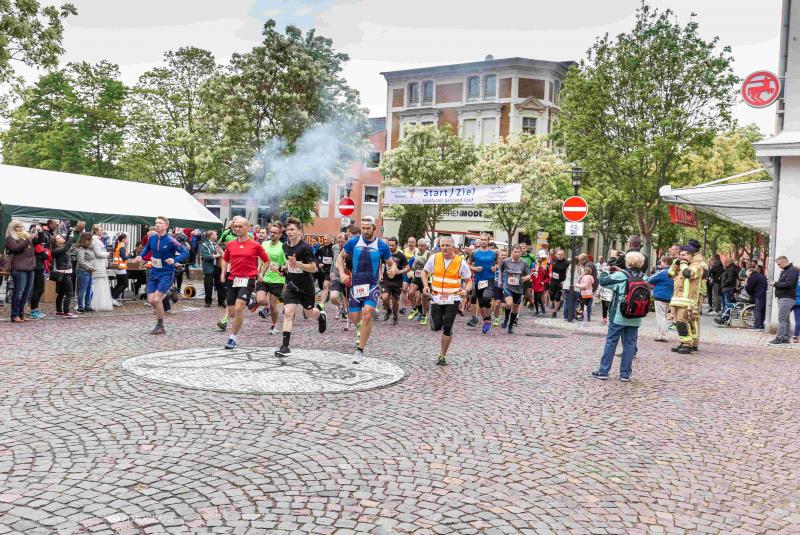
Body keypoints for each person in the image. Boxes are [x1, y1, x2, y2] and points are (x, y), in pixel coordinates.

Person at [337, 216, 393, 363]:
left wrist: (392, 269)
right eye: (363, 228)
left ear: (374, 228)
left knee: (367, 313)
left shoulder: (382, 246)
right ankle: (363, 327)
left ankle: (359, 350)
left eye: (368, 228)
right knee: (354, 317)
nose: (365, 231)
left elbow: (391, 263)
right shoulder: (354, 242)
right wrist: (342, 274)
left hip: (373, 285)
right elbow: (340, 257)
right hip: (356, 285)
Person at [274, 217, 327, 357]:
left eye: (292, 229)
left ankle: (320, 315)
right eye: (287, 230)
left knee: (309, 314)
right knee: (288, 313)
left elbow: (313, 268)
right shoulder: (285, 246)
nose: (289, 232)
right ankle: (285, 347)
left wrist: (297, 264)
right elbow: (288, 265)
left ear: (299, 231)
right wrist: (281, 268)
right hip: (292, 285)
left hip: (306, 286)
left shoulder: (305, 247)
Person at [592, 251, 647, 381]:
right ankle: (625, 374)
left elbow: (603, 281)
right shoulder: (644, 277)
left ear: (628, 262)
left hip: (619, 314)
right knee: (630, 344)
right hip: (636, 315)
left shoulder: (621, 275)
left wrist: (606, 270)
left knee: (611, 342)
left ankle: (603, 371)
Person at [219, 216, 269, 350]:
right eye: (235, 226)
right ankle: (251, 300)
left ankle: (232, 338)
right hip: (232, 279)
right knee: (231, 313)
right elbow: (225, 259)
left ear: (247, 227)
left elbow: (266, 260)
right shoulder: (230, 244)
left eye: (240, 226)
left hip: (248, 279)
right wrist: (223, 272)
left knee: (239, 307)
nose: (237, 229)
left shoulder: (255, 245)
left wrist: (261, 273)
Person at [421, 236, 473, 365]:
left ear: (453, 248)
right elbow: (424, 272)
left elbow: (469, 281)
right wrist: (426, 286)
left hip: (453, 298)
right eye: (442, 245)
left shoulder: (460, 262)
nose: (444, 248)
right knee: (436, 326)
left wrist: (466, 290)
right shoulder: (434, 258)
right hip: (436, 296)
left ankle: (442, 356)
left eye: (447, 245)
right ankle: (434, 320)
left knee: (447, 326)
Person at [133, 216, 189, 335]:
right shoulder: (152, 238)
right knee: (151, 301)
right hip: (154, 272)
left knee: (157, 299)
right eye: (156, 223)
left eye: (160, 223)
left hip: (166, 273)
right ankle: (170, 292)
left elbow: (185, 252)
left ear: (166, 226)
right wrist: (141, 256)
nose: (157, 225)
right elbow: (147, 248)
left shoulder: (171, 240)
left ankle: (160, 326)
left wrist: (174, 260)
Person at [668, 244, 704, 354]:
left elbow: (688, 274)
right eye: (680, 255)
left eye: (684, 255)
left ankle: (688, 344)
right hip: (678, 299)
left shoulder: (697, 266)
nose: (681, 257)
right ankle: (685, 342)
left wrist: (683, 264)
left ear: (691, 255)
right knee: (680, 322)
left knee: (682, 321)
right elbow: (670, 274)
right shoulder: (682, 264)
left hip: (688, 300)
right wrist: (675, 263)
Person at [255, 223, 287, 335]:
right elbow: (260, 257)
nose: (272, 234)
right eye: (271, 232)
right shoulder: (264, 244)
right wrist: (259, 269)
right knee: (260, 300)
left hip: (277, 279)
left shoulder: (283, 247)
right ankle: (267, 304)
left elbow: (286, 264)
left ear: (280, 234)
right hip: (264, 276)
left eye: (275, 232)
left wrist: (279, 269)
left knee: (274, 305)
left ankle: (274, 324)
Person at [467, 232, 498, 334]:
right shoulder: (474, 252)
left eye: (485, 240)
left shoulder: (494, 252)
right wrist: (474, 268)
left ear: (488, 241)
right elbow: (467, 264)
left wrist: (495, 267)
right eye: (482, 239)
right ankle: (485, 320)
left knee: (487, 298)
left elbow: (498, 263)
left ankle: (488, 318)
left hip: (489, 279)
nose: (483, 241)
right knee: (481, 302)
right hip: (478, 280)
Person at [5, 220, 36, 323]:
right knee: (19, 292)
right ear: (12, 228)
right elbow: (16, 249)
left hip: (30, 267)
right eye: (17, 227)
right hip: (19, 268)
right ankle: (15, 315)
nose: (21, 228)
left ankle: (21, 314)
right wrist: (28, 240)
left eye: (22, 226)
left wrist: (39, 233)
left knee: (26, 292)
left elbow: (39, 242)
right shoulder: (10, 238)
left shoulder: (26, 236)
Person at [498, 244, 531, 334]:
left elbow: (529, 274)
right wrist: (500, 281)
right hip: (508, 286)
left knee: (515, 309)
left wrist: (525, 278)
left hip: (518, 288)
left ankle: (510, 325)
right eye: (515, 252)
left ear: (521, 253)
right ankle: (506, 318)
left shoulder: (524, 263)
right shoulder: (506, 261)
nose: (516, 253)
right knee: (509, 304)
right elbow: (500, 270)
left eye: (518, 252)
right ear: (511, 252)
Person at [769, 256, 799, 345]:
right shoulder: (786, 270)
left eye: (779, 264)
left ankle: (779, 338)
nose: (778, 266)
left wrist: (776, 284)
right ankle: (786, 338)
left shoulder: (792, 270)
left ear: (783, 261)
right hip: (784, 297)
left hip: (787, 298)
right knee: (785, 319)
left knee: (782, 319)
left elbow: (789, 284)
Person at [380, 237, 409, 325]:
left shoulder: (401, 255)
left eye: (393, 245)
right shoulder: (385, 254)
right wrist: (380, 274)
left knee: (395, 301)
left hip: (397, 281)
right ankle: (389, 310)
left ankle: (395, 316)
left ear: (397, 245)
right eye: (389, 245)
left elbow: (407, 268)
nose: (391, 247)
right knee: (384, 298)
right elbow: (379, 264)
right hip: (386, 280)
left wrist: (399, 272)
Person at [648, 256, 674, 342]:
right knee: (664, 316)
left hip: (660, 296)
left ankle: (663, 335)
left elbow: (650, 279)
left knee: (660, 317)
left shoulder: (663, 272)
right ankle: (663, 334)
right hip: (669, 296)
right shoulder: (673, 271)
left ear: (665, 262)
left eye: (661, 261)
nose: (660, 263)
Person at [406, 238, 431, 325]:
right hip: (416, 277)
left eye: (422, 246)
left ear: (425, 246)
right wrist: (411, 271)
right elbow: (413, 264)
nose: (420, 247)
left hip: (425, 279)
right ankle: (414, 309)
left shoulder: (428, 253)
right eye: (419, 246)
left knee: (424, 298)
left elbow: (430, 266)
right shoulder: (415, 252)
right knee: (410, 293)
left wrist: (426, 273)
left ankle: (424, 315)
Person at [51, 234, 76, 318]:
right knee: (69, 293)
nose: (62, 238)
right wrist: (72, 237)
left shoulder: (60, 248)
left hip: (64, 273)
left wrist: (69, 234)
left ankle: (59, 311)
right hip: (64, 273)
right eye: (59, 238)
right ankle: (66, 312)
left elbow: (66, 246)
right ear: (56, 243)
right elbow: (66, 247)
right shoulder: (55, 250)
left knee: (61, 293)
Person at [90, 224, 113, 311]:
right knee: (98, 284)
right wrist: (107, 254)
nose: (102, 231)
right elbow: (98, 253)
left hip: (101, 265)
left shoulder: (98, 240)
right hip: (98, 265)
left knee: (101, 284)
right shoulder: (95, 240)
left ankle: (100, 303)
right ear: (96, 231)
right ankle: (96, 303)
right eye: (101, 230)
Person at [200, 230, 225, 308]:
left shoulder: (216, 244)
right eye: (215, 234)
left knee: (220, 285)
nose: (217, 236)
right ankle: (208, 301)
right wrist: (217, 255)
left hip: (217, 267)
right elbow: (205, 256)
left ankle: (221, 301)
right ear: (211, 236)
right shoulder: (204, 244)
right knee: (208, 285)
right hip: (209, 267)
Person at [329, 232, 348, 321]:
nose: (340, 243)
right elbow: (333, 260)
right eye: (338, 241)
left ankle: (348, 318)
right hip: (336, 276)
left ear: (346, 241)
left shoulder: (350, 248)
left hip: (347, 276)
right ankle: (340, 307)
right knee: (333, 297)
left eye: (342, 241)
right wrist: (331, 271)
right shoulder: (334, 248)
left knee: (347, 299)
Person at [75, 232, 96, 313]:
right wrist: (91, 267)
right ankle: (80, 307)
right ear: (86, 240)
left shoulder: (89, 248)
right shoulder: (81, 249)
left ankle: (87, 306)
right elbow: (81, 262)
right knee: (83, 289)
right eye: (90, 239)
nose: (91, 241)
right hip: (83, 271)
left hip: (89, 271)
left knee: (89, 289)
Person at [744, 265, 768, 330]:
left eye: (747, 274)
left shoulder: (752, 277)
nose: (747, 276)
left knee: (757, 310)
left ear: (750, 272)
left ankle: (757, 326)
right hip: (764, 294)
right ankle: (761, 325)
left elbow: (749, 288)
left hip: (759, 295)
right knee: (762, 311)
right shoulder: (760, 275)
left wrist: (746, 285)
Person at [111, 233, 133, 303]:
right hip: (121, 268)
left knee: (119, 284)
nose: (128, 240)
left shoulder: (119, 246)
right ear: (123, 240)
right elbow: (124, 258)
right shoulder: (122, 247)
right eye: (127, 239)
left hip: (118, 267)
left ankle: (113, 296)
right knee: (125, 284)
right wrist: (130, 255)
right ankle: (114, 296)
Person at [314, 234, 335, 306]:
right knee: (322, 286)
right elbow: (315, 257)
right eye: (325, 239)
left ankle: (321, 304)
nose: (326, 241)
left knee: (325, 285)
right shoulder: (321, 248)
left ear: (331, 240)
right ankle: (327, 293)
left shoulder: (334, 248)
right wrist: (318, 263)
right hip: (322, 270)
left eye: (327, 239)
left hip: (330, 270)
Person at [549, 249, 568, 317]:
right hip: (553, 280)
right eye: (559, 254)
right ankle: (559, 303)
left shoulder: (566, 263)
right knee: (551, 296)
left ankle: (555, 312)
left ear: (564, 255)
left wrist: (565, 281)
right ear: (557, 255)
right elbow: (550, 268)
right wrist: (550, 274)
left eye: (561, 254)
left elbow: (568, 273)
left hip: (561, 282)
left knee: (557, 297)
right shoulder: (554, 260)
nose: (560, 256)